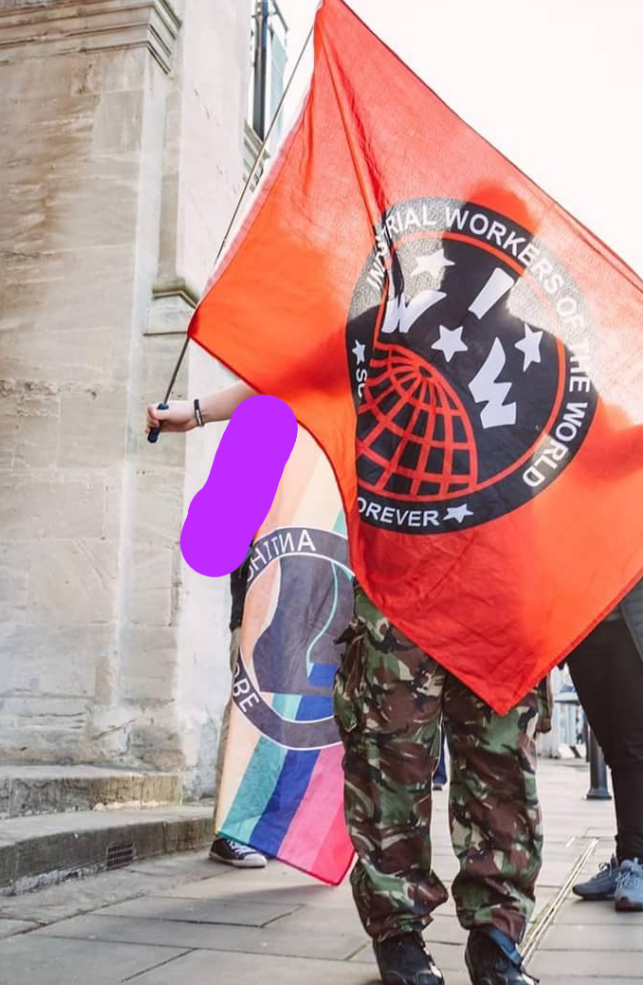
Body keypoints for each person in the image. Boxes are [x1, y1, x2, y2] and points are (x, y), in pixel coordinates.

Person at [148, 385, 541, 985]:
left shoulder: (532, 348)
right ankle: (398, 931)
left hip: (500, 573)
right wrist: (200, 412)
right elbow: (295, 371)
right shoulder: (385, 334)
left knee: (502, 762)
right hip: (399, 570)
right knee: (389, 759)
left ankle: (497, 935)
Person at [569, 535, 643, 913]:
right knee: (614, 747)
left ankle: (636, 863)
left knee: (634, 746)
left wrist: (605, 545)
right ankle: (625, 859)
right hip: (586, 628)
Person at [208, 543, 268, 869]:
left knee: (270, 727)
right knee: (245, 718)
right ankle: (229, 831)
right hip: (253, 615)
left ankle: (255, 829)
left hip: (288, 618)